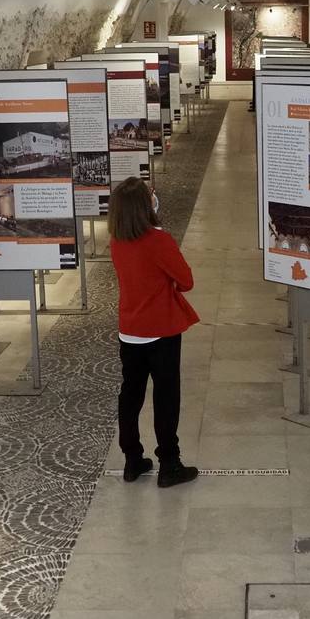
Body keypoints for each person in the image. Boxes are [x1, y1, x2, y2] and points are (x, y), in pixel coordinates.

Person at [108, 177, 200, 488]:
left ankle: (132, 459)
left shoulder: (117, 241)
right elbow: (186, 280)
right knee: (165, 397)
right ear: (145, 207)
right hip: (161, 331)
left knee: (130, 395)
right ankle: (169, 463)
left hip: (130, 331)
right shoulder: (159, 241)